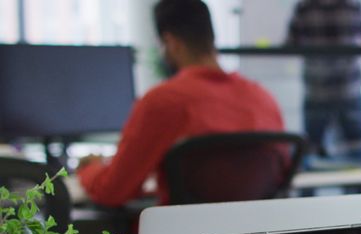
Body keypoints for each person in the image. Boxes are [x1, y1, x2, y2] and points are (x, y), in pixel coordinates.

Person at [77, 0, 285, 207]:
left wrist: (90, 168)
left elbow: (111, 191)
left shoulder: (163, 101)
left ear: (171, 42)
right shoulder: (263, 98)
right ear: (210, 37)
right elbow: (280, 175)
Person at [286, 0, 361, 163]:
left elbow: (291, 43)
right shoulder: (352, 5)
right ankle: (357, 188)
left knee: (311, 148)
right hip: (348, 87)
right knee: (356, 148)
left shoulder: (306, 7)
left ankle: (309, 187)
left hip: (317, 87)